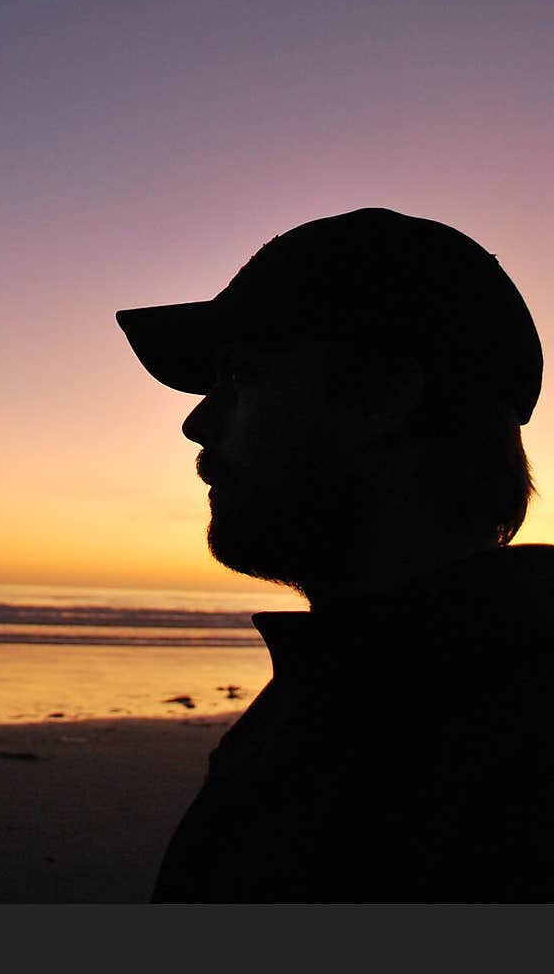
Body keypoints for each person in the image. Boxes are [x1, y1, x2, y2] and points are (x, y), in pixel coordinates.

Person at [116, 207, 552, 901]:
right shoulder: (352, 684)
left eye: (244, 376)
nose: (198, 421)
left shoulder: (506, 757)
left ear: (382, 395)